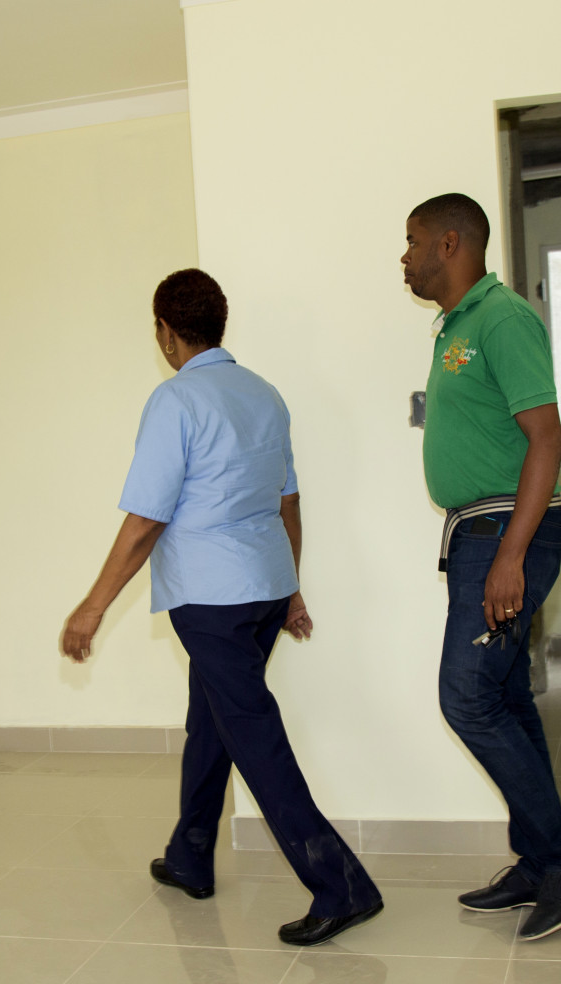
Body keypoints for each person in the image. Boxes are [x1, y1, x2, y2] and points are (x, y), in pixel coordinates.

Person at [60, 268, 384, 947]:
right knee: (212, 718)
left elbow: (145, 519)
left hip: (210, 598)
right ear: (218, 323)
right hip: (263, 587)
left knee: (252, 733)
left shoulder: (174, 400)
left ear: (165, 332)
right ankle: (190, 854)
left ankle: (341, 885)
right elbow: (288, 500)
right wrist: (290, 586)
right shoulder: (264, 394)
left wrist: (93, 606)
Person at [400, 193, 561, 941]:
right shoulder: (456, 326)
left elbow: (547, 438)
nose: (404, 257)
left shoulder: (503, 319)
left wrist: (511, 555)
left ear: (450, 243)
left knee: (466, 699)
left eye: (413, 241)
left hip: (506, 533)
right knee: (506, 698)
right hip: (479, 533)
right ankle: (539, 862)